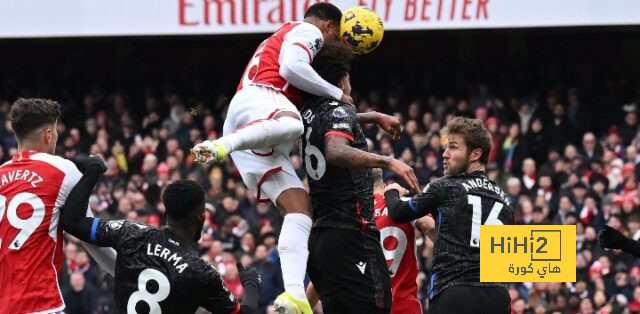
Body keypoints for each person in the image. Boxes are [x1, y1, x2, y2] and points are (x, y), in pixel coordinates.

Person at [191, 4, 405, 313]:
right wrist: (337, 93)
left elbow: (331, 117)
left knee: (299, 209)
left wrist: (369, 115)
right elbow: (293, 69)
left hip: (262, 129)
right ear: (330, 26)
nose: (332, 46)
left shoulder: (306, 102)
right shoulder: (305, 31)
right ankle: (220, 145)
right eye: (337, 38)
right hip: (262, 104)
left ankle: (293, 295)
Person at [301, 43, 420, 313]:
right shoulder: (338, 110)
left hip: (321, 236)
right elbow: (335, 150)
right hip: (353, 233)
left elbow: (332, 121)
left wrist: (372, 116)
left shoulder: (309, 112)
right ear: (343, 81)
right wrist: (388, 160)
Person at [60, 159, 261, 314]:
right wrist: (251, 282)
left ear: (165, 214)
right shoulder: (202, 273)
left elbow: (71, 222)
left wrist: (93, 170)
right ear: (202, 218)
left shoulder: (132, 233)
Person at [384, 117, 515, 314]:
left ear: (475, 154)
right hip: (497, 296)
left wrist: (391, 191)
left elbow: (399, 213)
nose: (444, 154)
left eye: (453, 147)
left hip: (454, 291)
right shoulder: (506, 200)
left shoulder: (446, 185)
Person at [0, 98, 116, 314]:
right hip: (40, 303)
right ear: (48, 134)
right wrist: (130, 274)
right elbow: (89, 236)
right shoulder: (63, 170)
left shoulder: (1, 173)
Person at [372, 168, 432, 314]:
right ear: (385, 184)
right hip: (404, 307)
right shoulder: (403, 204)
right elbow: (431, 227)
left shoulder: (353, 213)